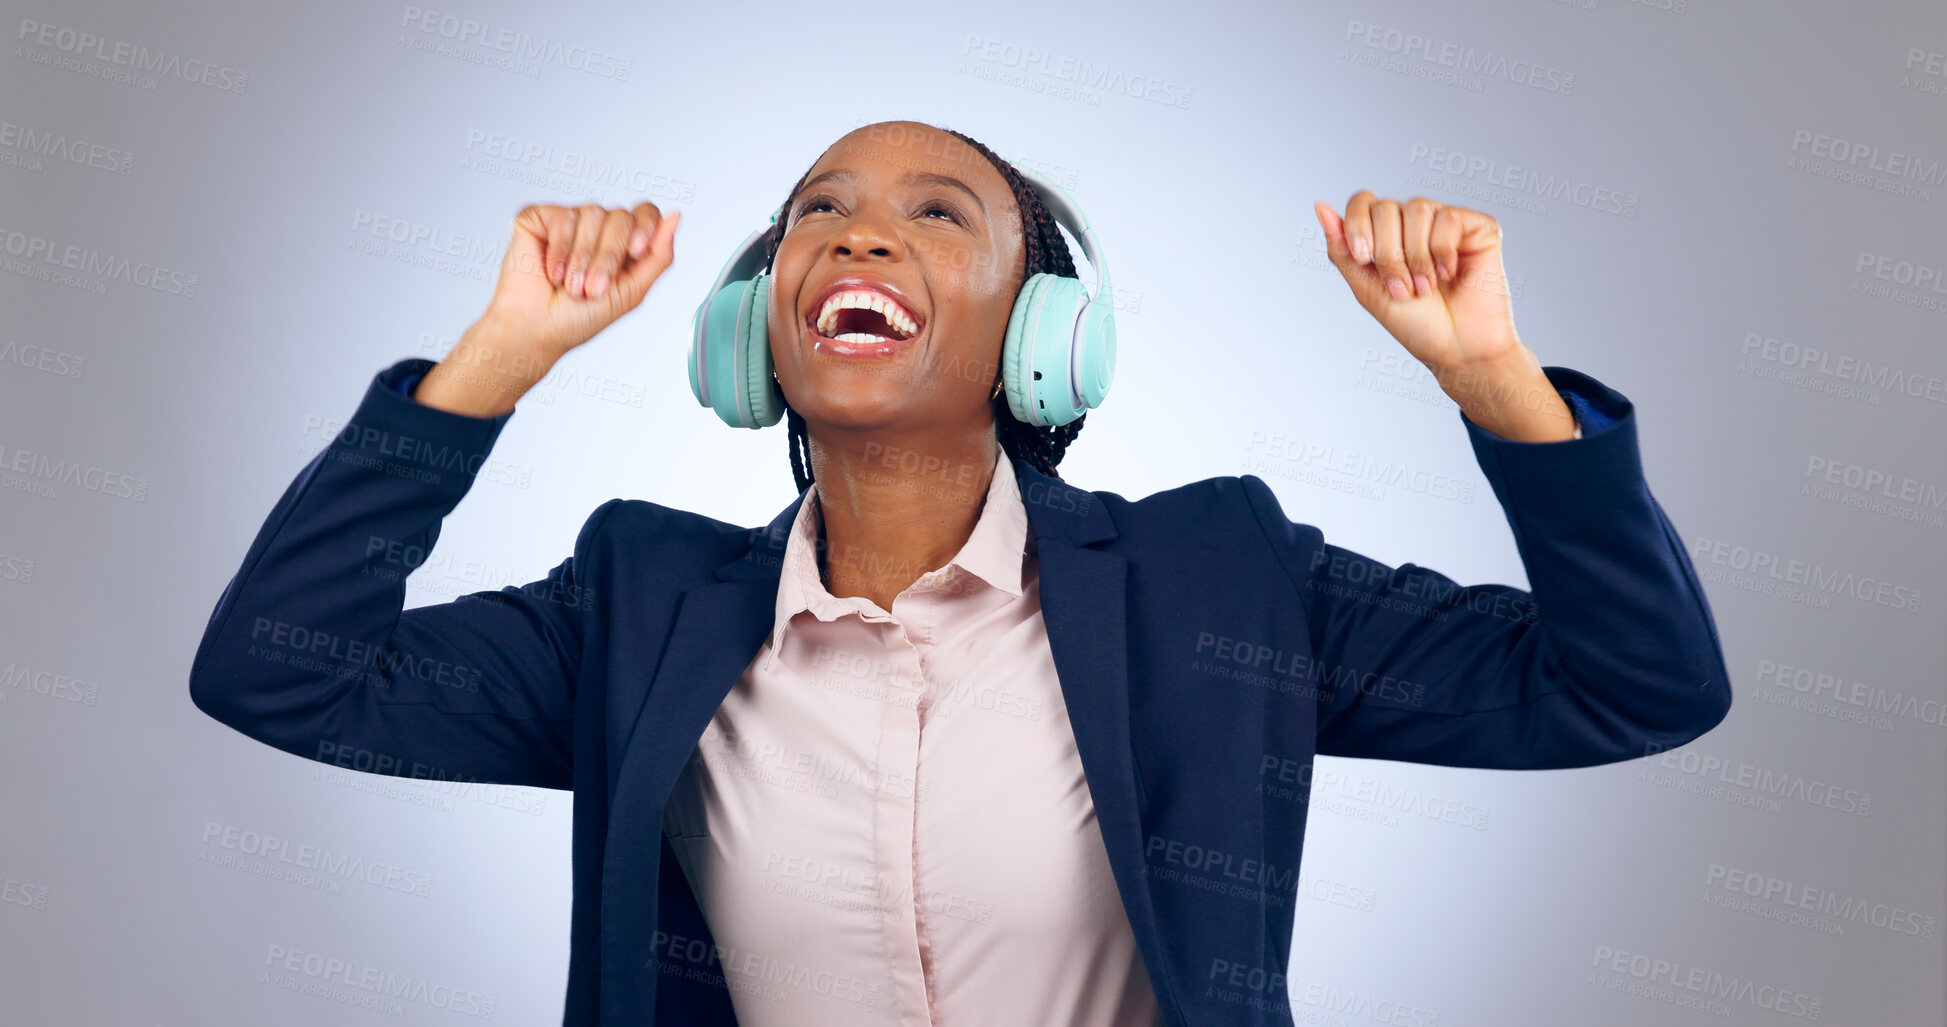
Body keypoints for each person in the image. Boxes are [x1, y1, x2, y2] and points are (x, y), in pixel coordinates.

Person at [188, 119, 1733, 1027]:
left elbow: (1632, 685)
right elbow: (284, 670)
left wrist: (1495, 380)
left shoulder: (1220, 581)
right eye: (819, 218)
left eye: (937, 216)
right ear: (751, 334)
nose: (860, 245)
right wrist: (493, 363)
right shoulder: (636, 602)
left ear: (1050, 334)